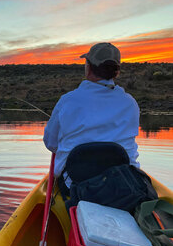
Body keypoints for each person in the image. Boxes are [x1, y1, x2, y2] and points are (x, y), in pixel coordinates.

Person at [43, 42, 140, 197]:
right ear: (116, 71)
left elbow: (51, 143)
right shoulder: (131, 103)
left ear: (88, 67)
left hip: (75, 185)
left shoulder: (68, 100)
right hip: (123, 183)